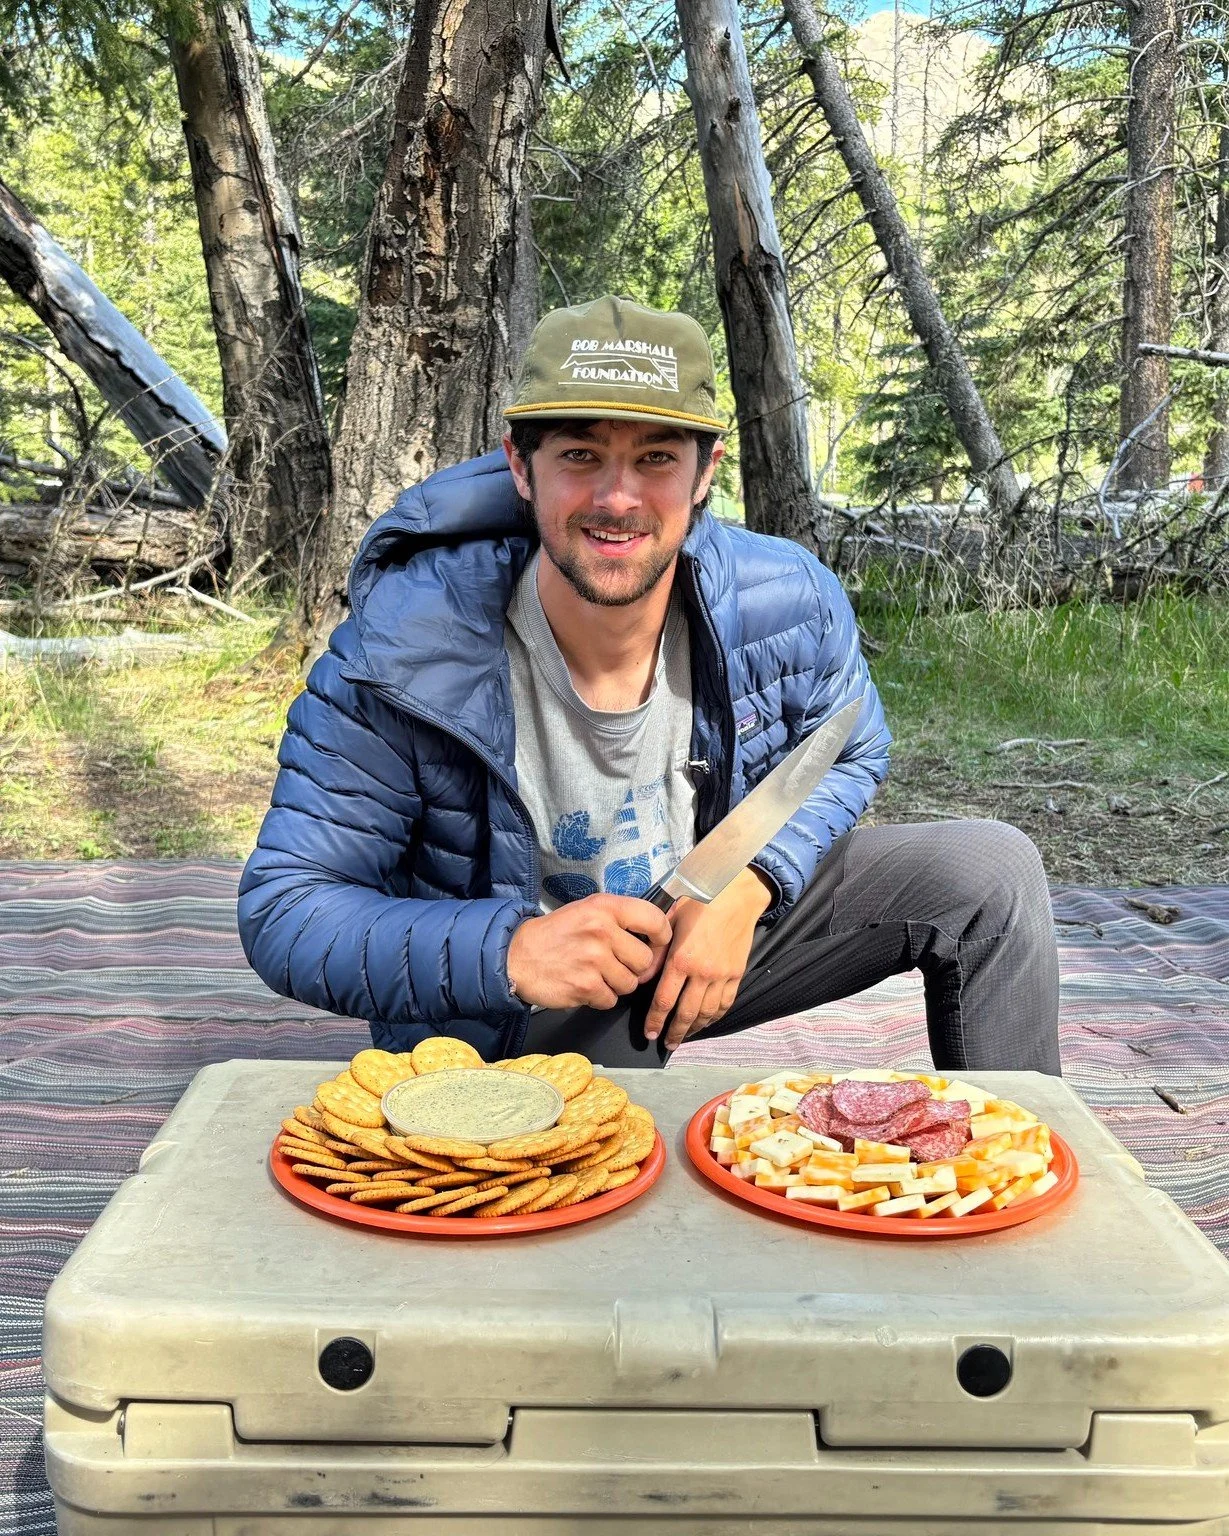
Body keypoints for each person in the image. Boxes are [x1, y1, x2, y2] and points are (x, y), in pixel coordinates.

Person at [238, 295, 1060, 1073]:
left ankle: (1031, 1157)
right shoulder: (403, 649)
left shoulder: (785, 601)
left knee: (987, 871)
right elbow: (288, 907)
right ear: (520, 465)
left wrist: (750, 884)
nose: (617, 497)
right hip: (508, 1005)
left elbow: (845, 750)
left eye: (655, 458)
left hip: (696, 923)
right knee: (601, 1156)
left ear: (704, 473)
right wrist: (510, 951)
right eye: (580, 456)